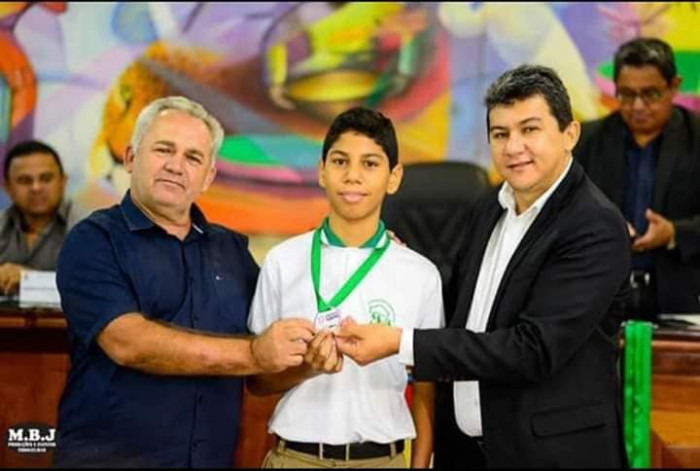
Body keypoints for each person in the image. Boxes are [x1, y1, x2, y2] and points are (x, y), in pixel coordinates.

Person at [335, 65, 631, 468]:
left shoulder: (594, 225)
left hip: (550, 457)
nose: (513, 147)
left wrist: (400, 342)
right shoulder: (490, 205)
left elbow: (532, 349)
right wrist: (399, 268)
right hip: (468, 453)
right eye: (500, 134)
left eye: (529, 130)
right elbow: (460, 311)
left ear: (570, 134)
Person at [53, 96, 316, 468]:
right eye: (164, 149)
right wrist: (253, 353)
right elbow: (128, 342)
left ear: (208, 177)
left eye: (193, 157)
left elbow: (270, 351)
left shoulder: (232, 250)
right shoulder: (93, 240)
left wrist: (369, 253)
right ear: (130, 158)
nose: (175, 166)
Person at [246, 107, 444, 468]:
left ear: (394, 177)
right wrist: (307, 367)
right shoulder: (282, 261)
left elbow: (426, 391)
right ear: (322, 171)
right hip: (296, 457)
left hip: (381, 460)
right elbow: (257, 381)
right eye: (340, 161)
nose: (353, 176)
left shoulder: (421, 275)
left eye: (370, 164)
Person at [575, 37, 700, 320]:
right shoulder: (586, 142)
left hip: (684, 299)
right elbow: (560, 214)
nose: (638, 106)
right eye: (627, 94)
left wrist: (674, 233)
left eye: (650, 94)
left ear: (674, 86)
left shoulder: (696, 138)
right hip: (600, 299)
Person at [0, 140, 80, 295]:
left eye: (46, 178)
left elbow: (93, 285)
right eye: (25, 180)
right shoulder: (2, 224)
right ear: (7, 187)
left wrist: (29, 279)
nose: (36, 188)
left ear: (63, 181)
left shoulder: (90, 226)